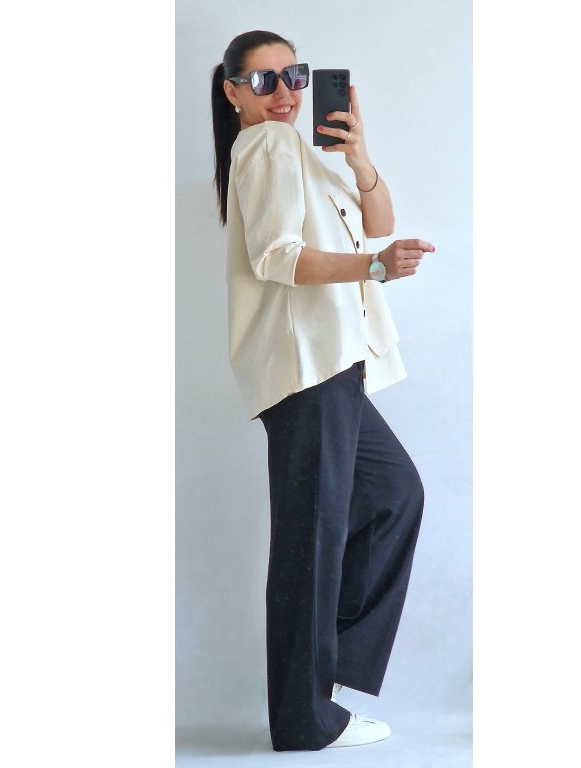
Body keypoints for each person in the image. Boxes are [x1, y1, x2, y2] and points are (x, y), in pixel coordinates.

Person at [211, 30, 434, 752]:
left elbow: (378, 224)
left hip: (331, 366)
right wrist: (375, 270)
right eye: (264, 81)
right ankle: (305, 717)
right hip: (306, 366)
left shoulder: (299, 154)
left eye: (295, 76)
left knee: (393, 494)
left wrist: (359, 156)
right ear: (233, 92)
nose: (285, 93)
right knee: (313, 539)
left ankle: (317, 675)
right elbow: (279, 258)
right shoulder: (268, 147)